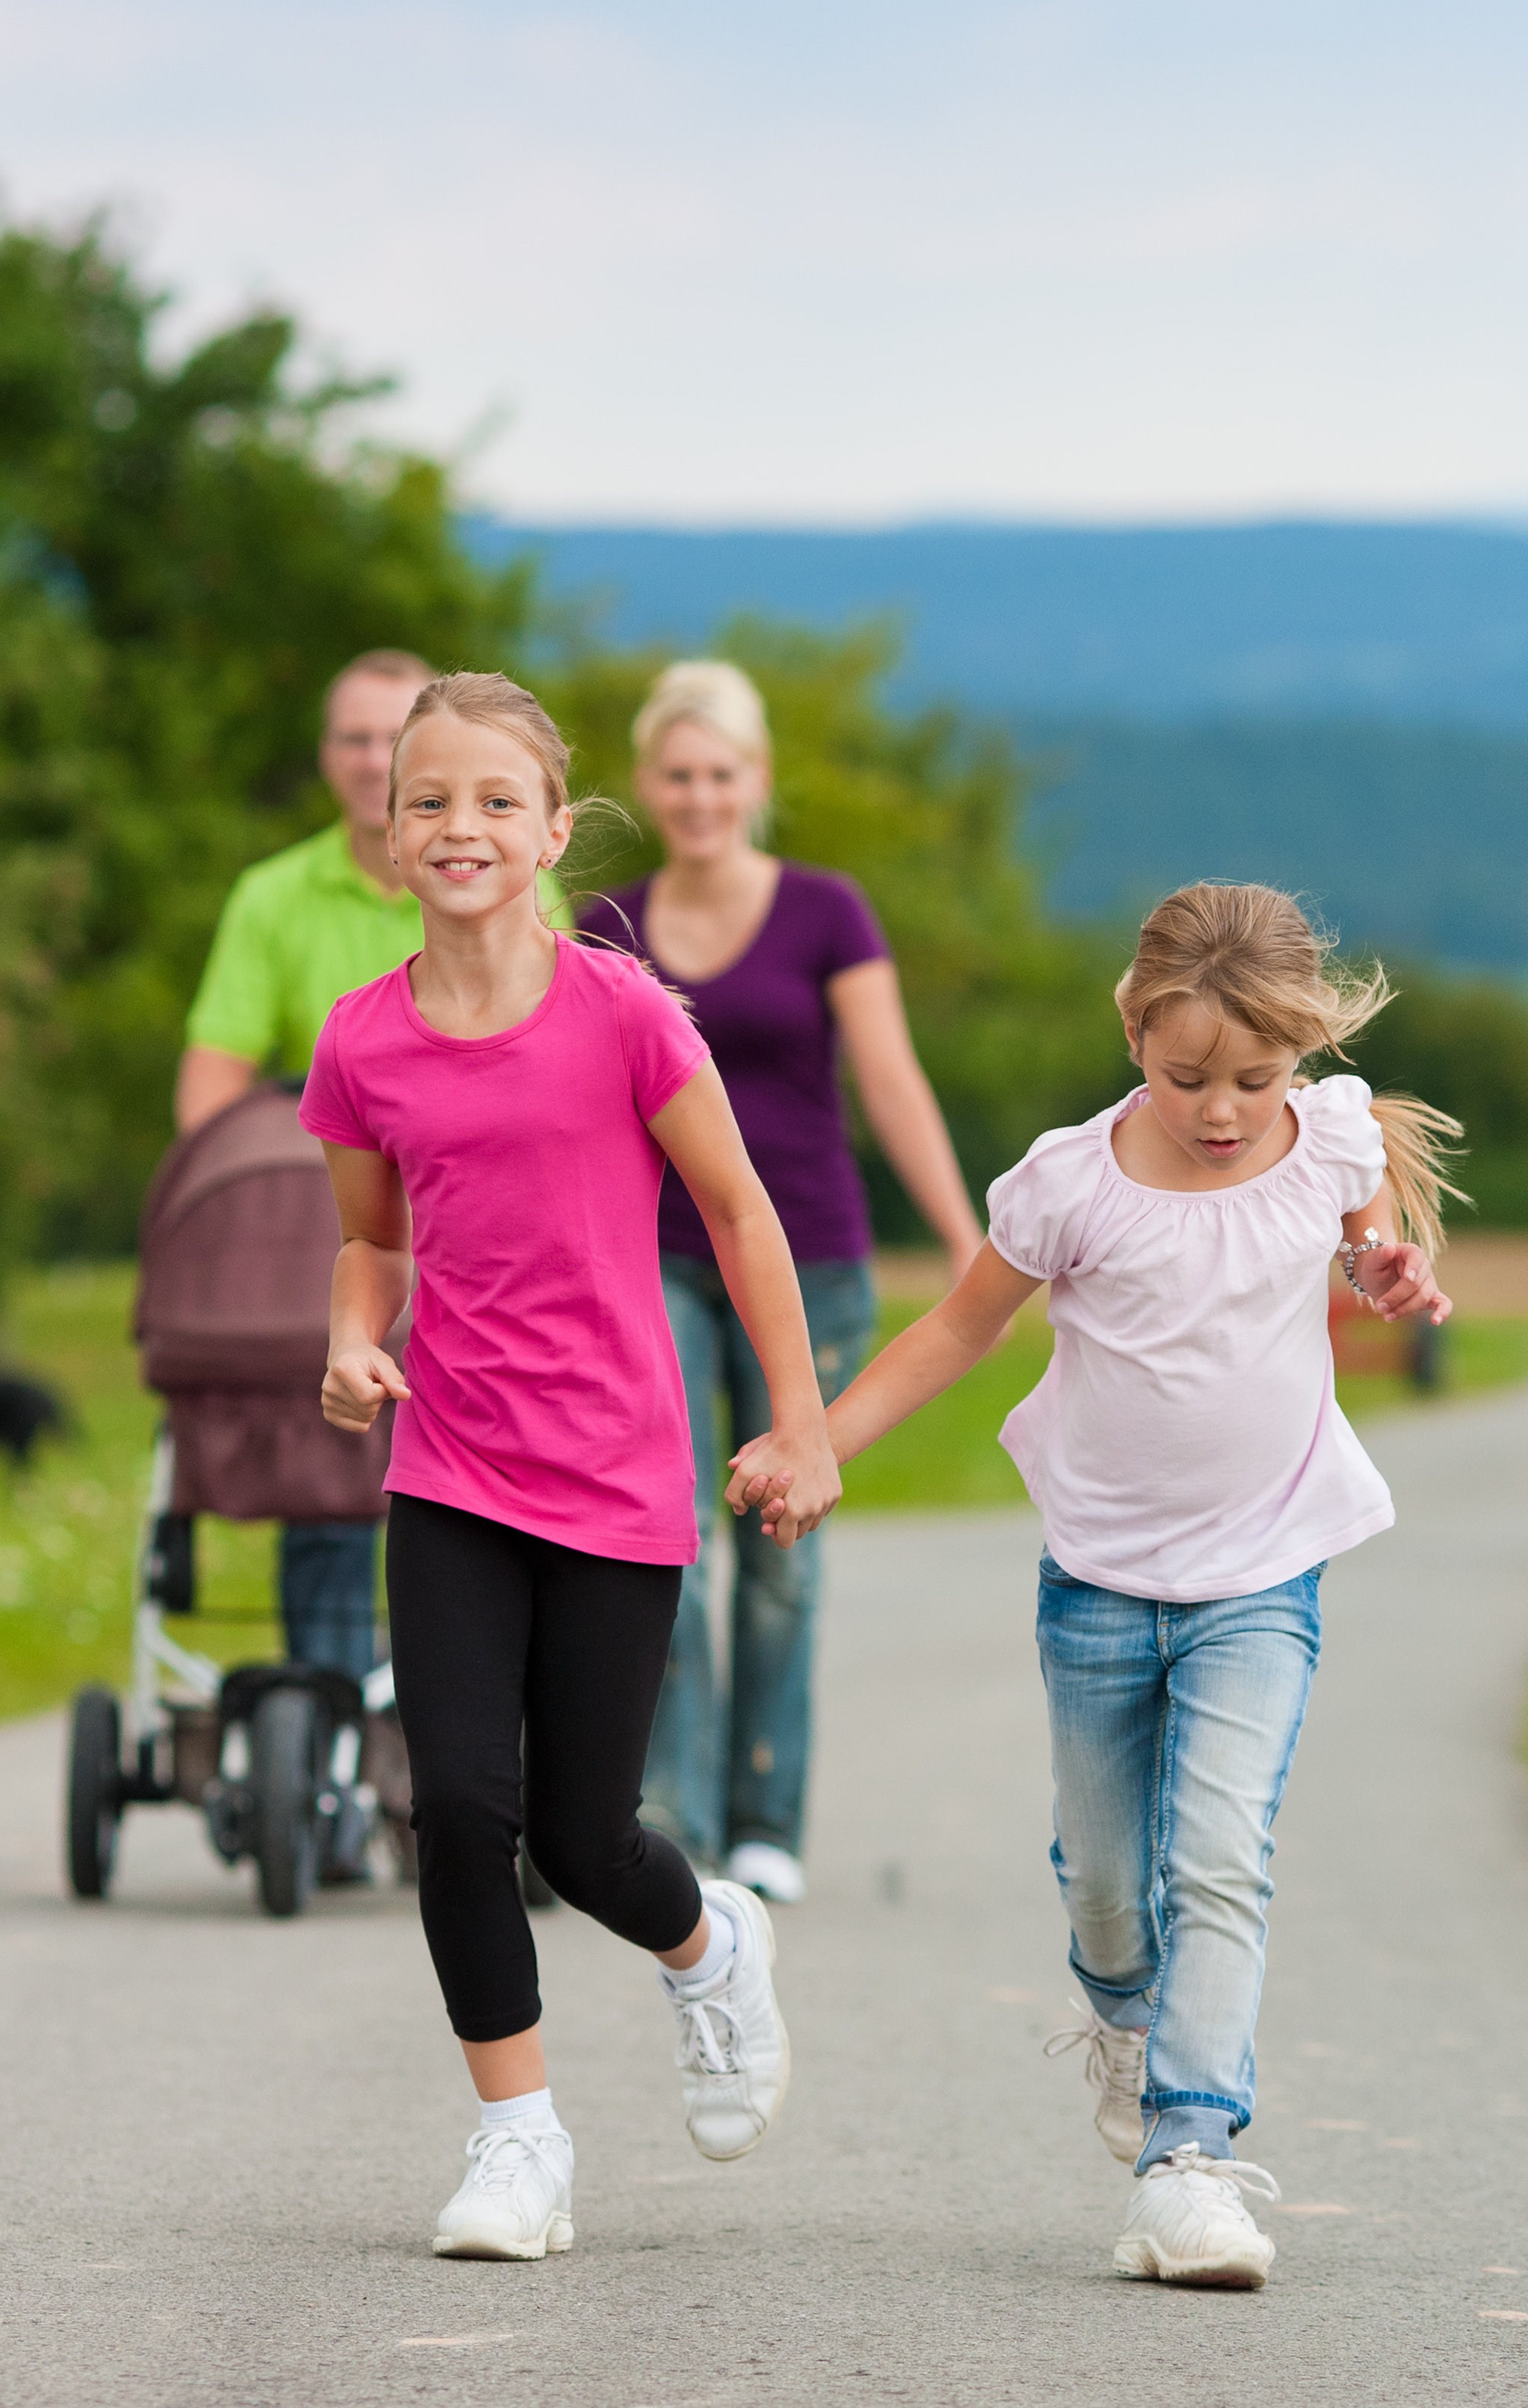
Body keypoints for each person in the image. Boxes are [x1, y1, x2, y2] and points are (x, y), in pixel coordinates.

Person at [732, 882, 1458, 2291]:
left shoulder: (1329, 1140)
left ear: (1297, 1053)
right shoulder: (1072, 1182)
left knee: (1222, 1856)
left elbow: (1370, 1221)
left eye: (1257, 1077)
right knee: (1110, 1887)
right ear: (1135, 1034)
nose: (1226, 1108)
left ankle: (1191, 2158)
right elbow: (956, 1330)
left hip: (1264, 1575)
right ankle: (1123, 2013)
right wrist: (815, 1441)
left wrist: (1383, 1259)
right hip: (1103, 1585)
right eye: (1190, 1077)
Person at [307, 670, 832, 2261]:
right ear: (391, 832)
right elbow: (365, 1238)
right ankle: (518, 2139)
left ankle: (709, 1948)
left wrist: (802, 1418)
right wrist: (349, 1339)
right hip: (452, 1466)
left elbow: (741, 1213)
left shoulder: (623, 1011)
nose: (458, 826)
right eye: (428, 800)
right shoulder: (364, 1041)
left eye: (492, 801)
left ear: (549, 832)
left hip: (616, 1473)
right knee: (461, 1807)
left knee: (584, 1835)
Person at [578, 661, 981, 1908]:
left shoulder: (826, 911)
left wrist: (967, 1241)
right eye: (678, 775)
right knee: (671, 1538)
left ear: (756, 782)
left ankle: (767, 1816)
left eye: (722, 773)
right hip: (658, 1256)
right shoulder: (606, 923)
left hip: (805, 1257)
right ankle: (678, 1814)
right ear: (648, 785)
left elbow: (893, 1079)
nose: (700, 796)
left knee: (783, 1546)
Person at [184, 649, 568, 1688]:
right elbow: (209, 1088)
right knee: (325, 1474)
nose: (368, 760)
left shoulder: (506, 872)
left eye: (387, 740)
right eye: (351, 739)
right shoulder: (272, 898)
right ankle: (335, 1719)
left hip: (471, 1230)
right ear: (330, 760)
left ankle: (449, 1707)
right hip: (321, 1214)